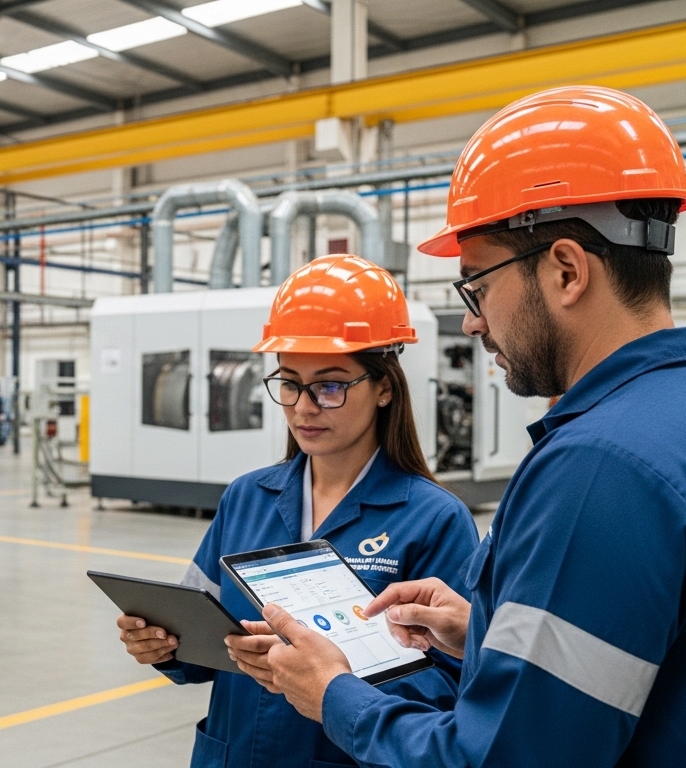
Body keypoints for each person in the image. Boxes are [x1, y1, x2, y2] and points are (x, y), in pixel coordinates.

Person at [227, 85, 686, 766]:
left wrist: (336, 693)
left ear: (565, 271)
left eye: (478, 285)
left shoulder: (601, 468)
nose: (472, 320)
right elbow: (658, 671)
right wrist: (482, 630)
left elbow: (500, 759)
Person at [116, 254, 479, 767]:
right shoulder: (247, 496)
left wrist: (335, 674)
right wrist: (165, 647)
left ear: (384, 388)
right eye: (289, 383)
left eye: (329, 386)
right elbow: (201, 636)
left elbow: (456, 683)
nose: (304, 407)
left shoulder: (432, 519)